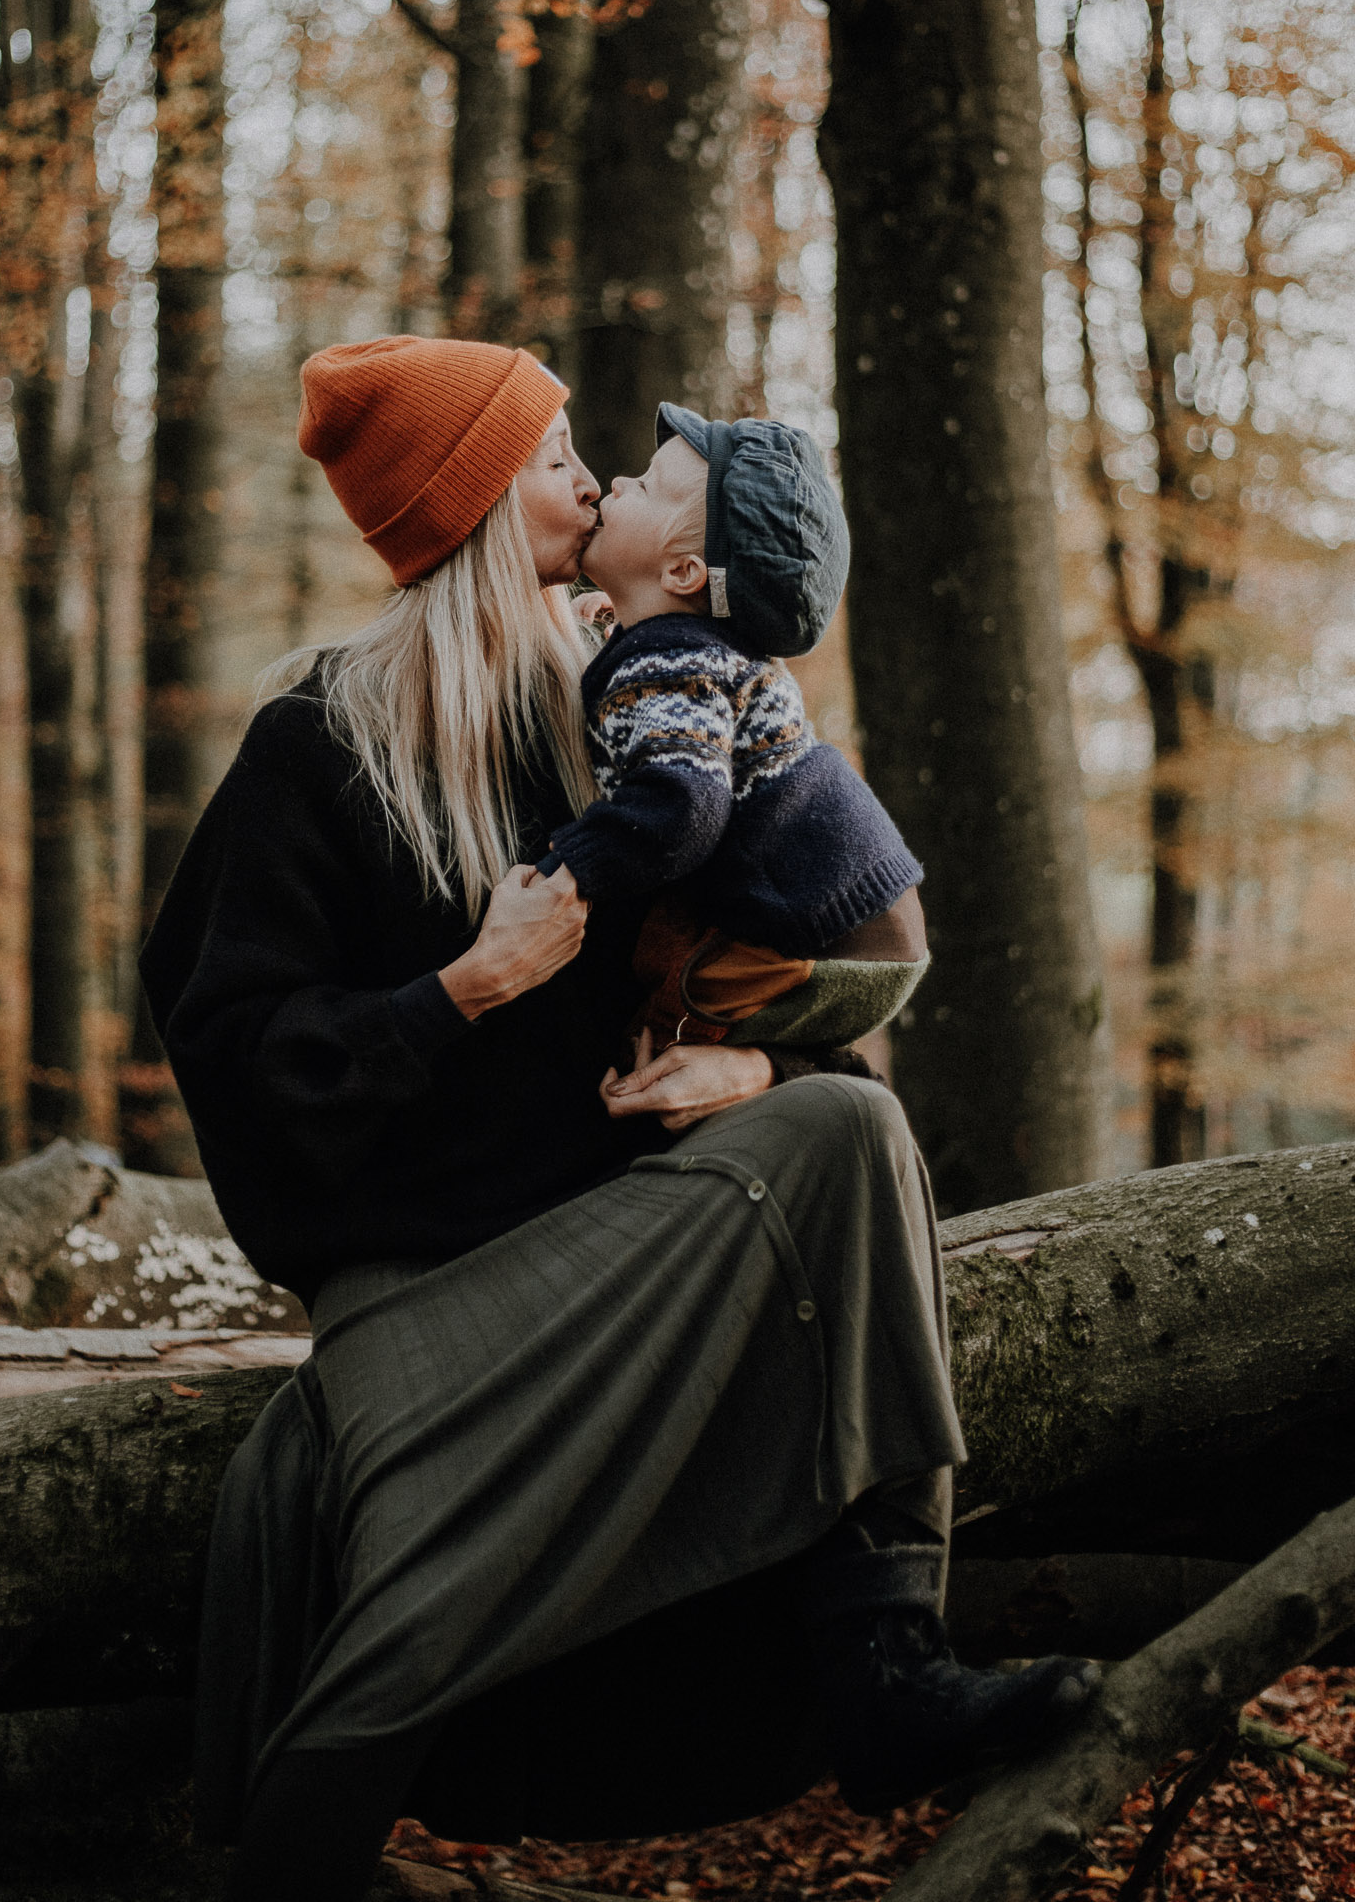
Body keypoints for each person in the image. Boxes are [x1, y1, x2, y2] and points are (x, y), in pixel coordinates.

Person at [139, 335, 1097, 1902]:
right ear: (462, 507)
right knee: (367, 1706)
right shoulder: (315, 752)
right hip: (426, 1310)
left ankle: (889, 1663)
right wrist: (463, 988)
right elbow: (242, 1078)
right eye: (550, 458)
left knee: (848, 1129)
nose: (588, 480)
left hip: (619, 1261)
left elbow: (845, 935)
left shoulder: (638, 715)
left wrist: (759, 1072)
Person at [544, 403, 930, 1063]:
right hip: (865, 906)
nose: (615, 484)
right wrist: (620, 623)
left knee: (658, 1034)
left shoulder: (670, 664)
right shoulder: (687, 650)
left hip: (828, 929)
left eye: (646, 486)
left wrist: (569, 864)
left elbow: (681, 806)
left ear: (684, 575)